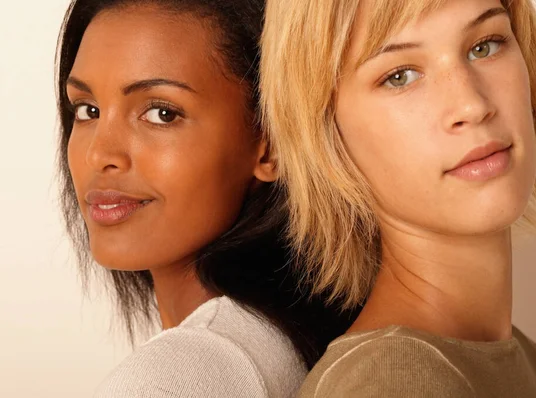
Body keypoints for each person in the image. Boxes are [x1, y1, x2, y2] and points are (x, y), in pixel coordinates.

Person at [260, 0, 536, 396]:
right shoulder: (389, 382)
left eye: (485, 46)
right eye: (400, 76)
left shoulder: (528, 362)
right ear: (327, 132)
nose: (472, 105)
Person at [55, 0, 354, 396]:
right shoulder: (292, 337)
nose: (99, 155)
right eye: (88, 110)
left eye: (162, 113)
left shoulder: (174, 376)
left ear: (271, 145)